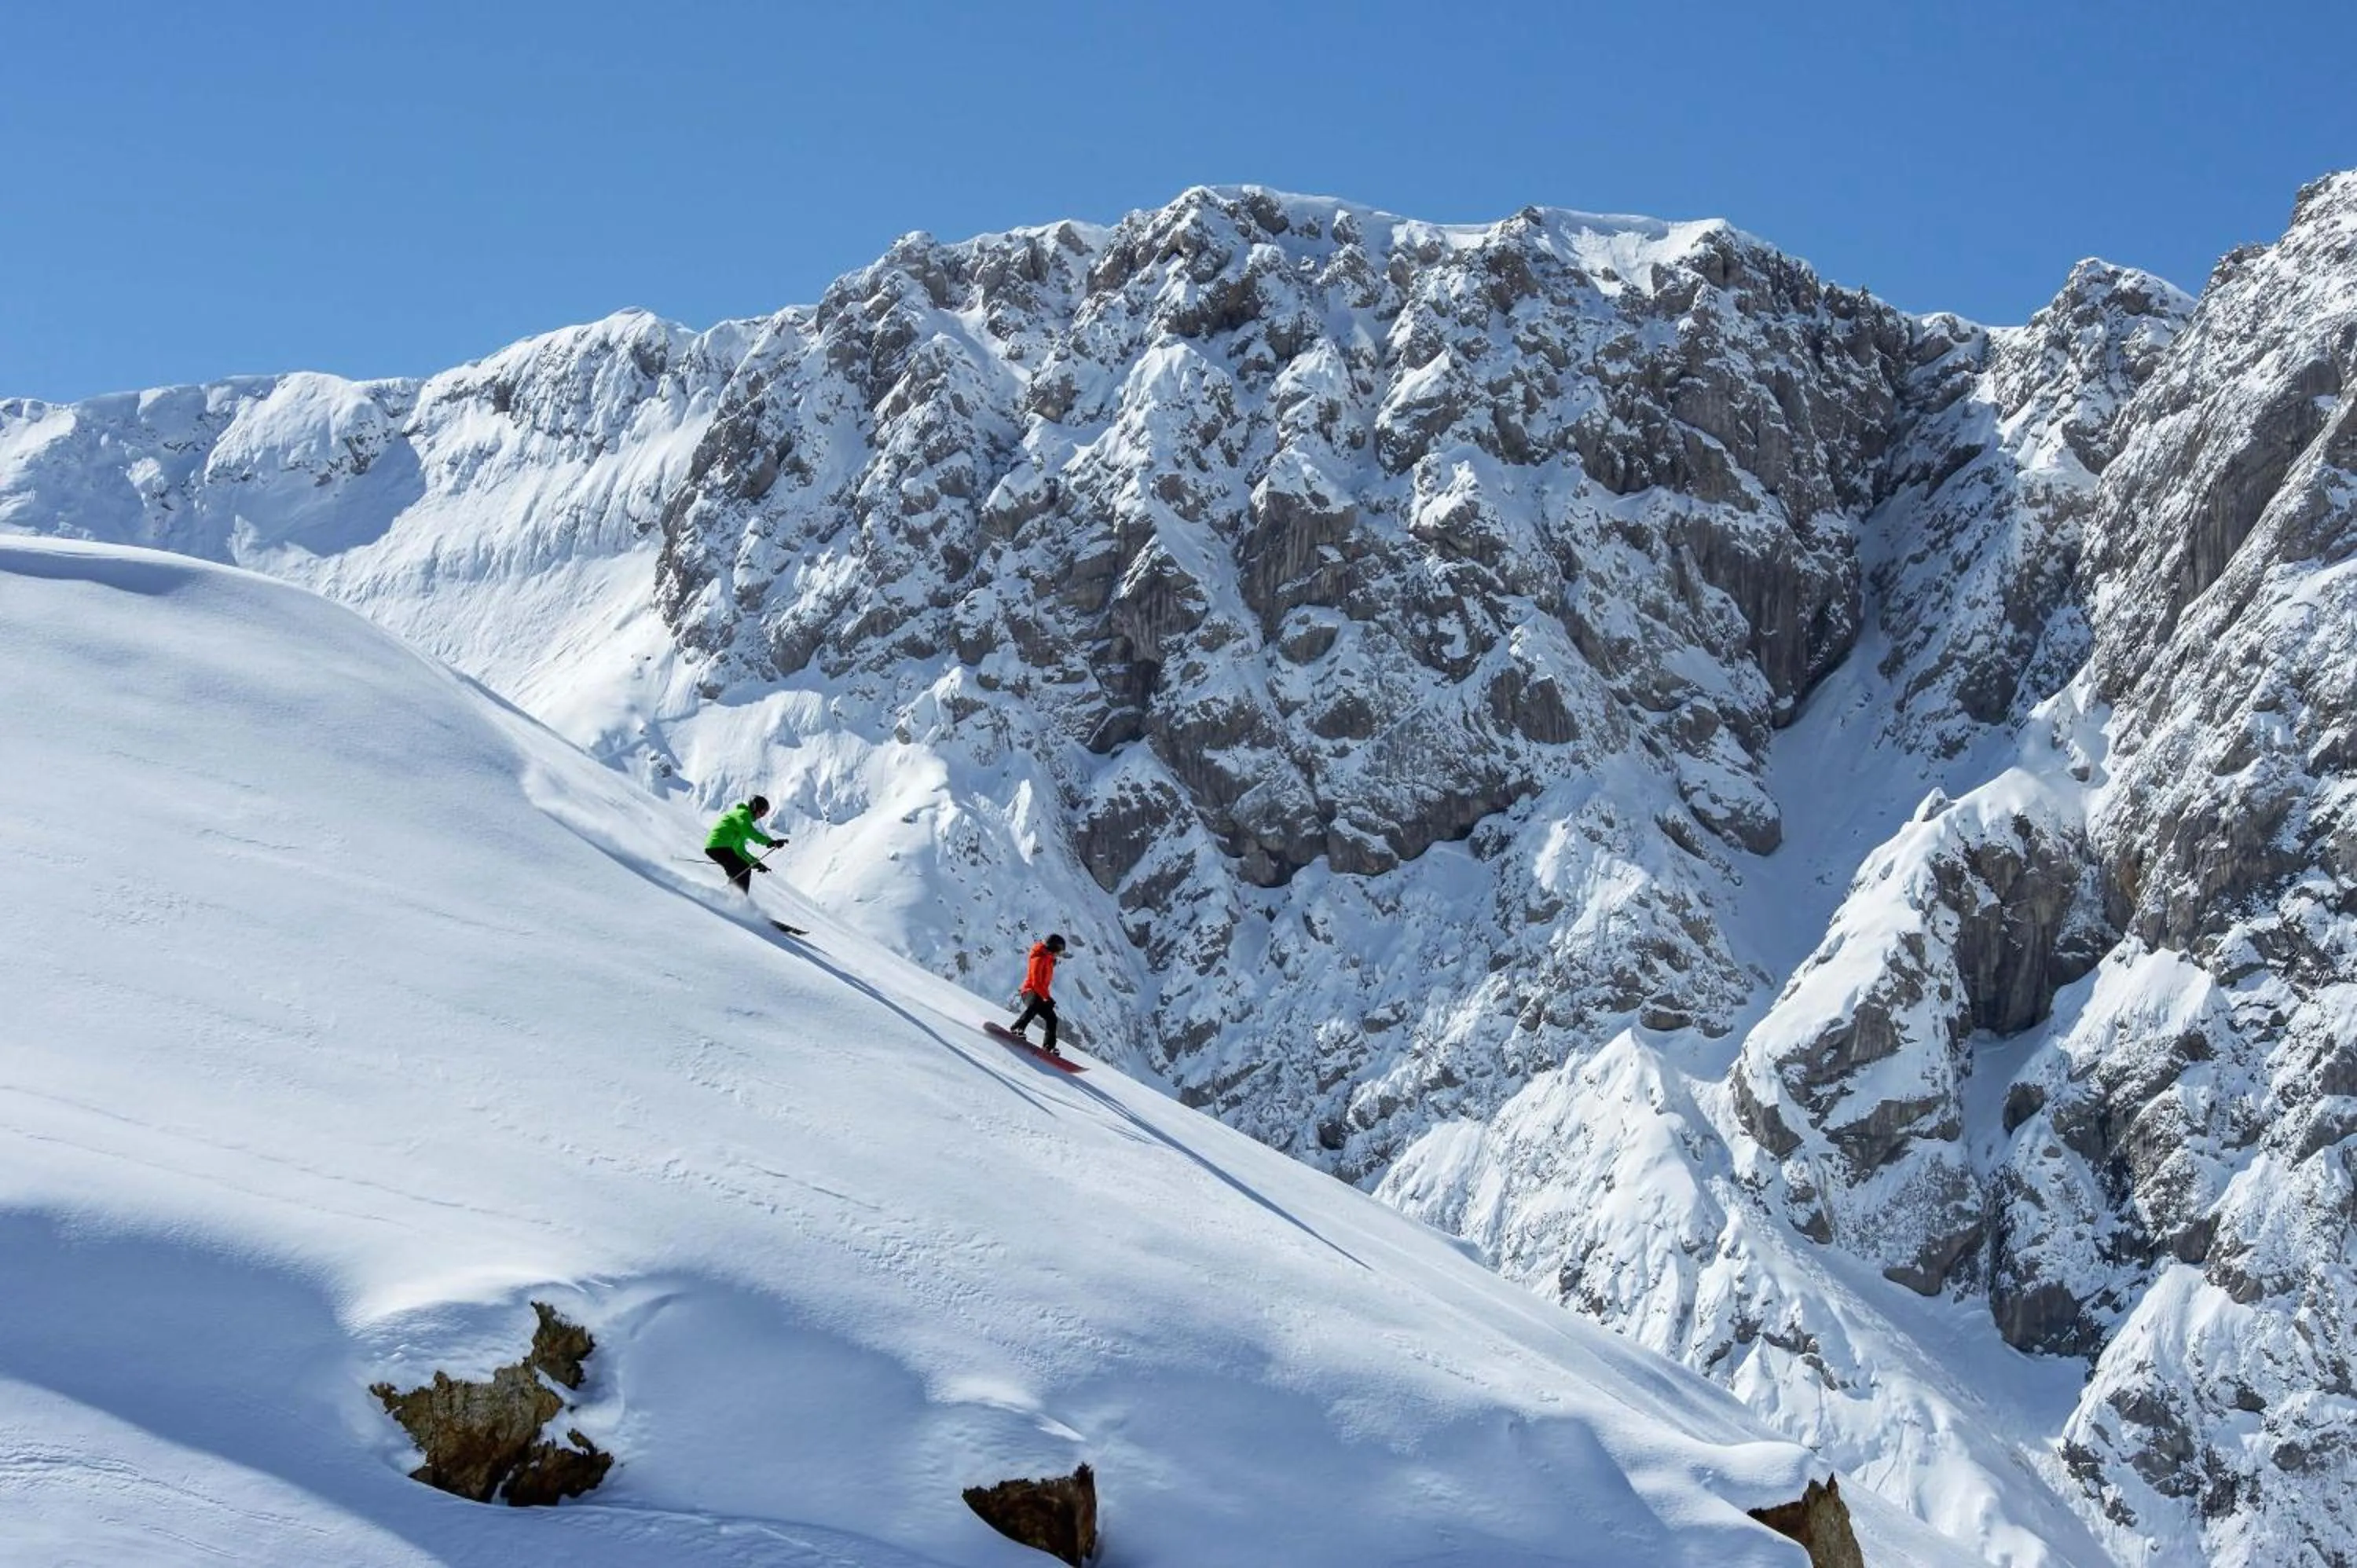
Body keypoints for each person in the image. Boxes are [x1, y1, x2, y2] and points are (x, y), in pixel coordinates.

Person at [705, 795, 783, 893]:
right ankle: (736, 899)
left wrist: (756, 864)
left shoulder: (742, 823)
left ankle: (729, 896)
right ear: (755, 808)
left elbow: (740, 851)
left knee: (740, 870)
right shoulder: (743, 814)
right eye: (762, 812)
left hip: (718, 847)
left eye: (764, 813)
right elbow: (750, 832)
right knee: (743, 869)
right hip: (718, 846)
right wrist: (770, 842)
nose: (761, 816)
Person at [1008, 933, 1068, 1056]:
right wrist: (1047, 998)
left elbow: (1043, 983)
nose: (1059, 955)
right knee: (1035, 1003)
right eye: (1059, 952)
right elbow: (1036, 983)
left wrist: (1046, 998)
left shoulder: (1049, 959)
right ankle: (1017, 1029)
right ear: (1053, 949)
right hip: (1029, 991)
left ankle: (1049, 1047)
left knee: (1052, 1018)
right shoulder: (1038, 958)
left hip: (1040, 994)